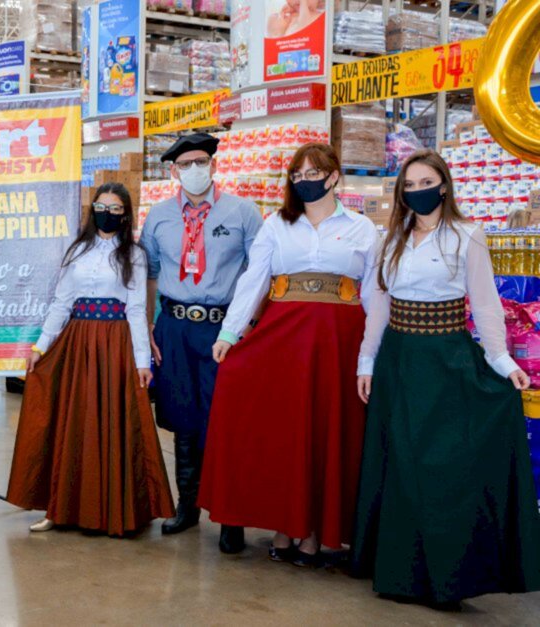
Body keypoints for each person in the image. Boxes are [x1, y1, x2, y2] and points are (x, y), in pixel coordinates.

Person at [351, 150, 540, 608]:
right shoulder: (388, 239)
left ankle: (448, 577)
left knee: (443, 468)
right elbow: (378, 305)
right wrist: (366, 362)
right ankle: (400, 574)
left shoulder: (468, 236)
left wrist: (503, 362)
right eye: (409, 184)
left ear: (445, 185)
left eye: (426, 181)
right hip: (398, 360)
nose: (417, 190)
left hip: (448, 361)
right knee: (401, 465)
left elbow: (487, 305)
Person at [198, 143, 377, 566]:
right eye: (297, 176)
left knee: (326, 429)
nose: (304, 182)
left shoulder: (362, 228)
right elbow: (254, 279)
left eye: (313, 174)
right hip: (283, 338)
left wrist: (372, 352)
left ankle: (317, 532)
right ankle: (285, 524)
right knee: (286, 431)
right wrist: (230, 332)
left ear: (334, 177)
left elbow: (373, 293)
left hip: (339, 340)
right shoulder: (276, 224)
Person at [6, 183, 175, 536]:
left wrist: (142, 362)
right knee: (72, 423)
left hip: (115, 345)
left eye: (116, 209)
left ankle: (115, 511)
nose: (108, 214)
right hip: (77, 343)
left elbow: (136, 309)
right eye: (102, 206)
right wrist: (40, 347)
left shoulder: (135, 255)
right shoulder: (77, 250)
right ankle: (60, 507)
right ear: (92, 208)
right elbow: (61, 303)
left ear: (126, 215)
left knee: (114, 422)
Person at [139, 132, 263, 551]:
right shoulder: (157, 217)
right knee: (182, 420)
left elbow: (259, 271)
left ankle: (230, 516)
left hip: (222, 329)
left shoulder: (244, 212)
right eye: (185, 164)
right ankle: (187, 507)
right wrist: (149, 327)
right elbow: (150, 274)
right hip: (173, 326)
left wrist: (247, 325)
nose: (194, 170)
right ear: (174, 171)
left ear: (213, 164)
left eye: (201, 162)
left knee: (225, 421)